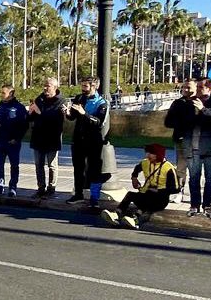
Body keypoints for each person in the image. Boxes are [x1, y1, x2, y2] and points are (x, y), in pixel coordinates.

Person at [101, 144, 178, 229]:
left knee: (150, 197)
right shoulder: (145, 162)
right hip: (146, 194)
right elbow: (136, 169)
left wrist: (159, 190)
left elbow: (175, 189)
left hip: (160, 200)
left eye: (150, 153)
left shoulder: (168, 168)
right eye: (147, 153)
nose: (147, 155)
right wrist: (134, 178)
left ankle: (136, 219)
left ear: (158, 155)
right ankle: (116, 214)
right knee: (130, 195)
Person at [64, 77, 108, 209]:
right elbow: (73, 117)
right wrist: (67, 113)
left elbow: (98, 122)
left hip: (93, 140)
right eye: (82, 86)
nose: (83, 89)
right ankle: (78, 194)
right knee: (78, 169)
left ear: (94, 87)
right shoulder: (79, 98)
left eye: (85, 86)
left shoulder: (102, 103)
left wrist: (84, 114)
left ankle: (94, 198)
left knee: (94, 170)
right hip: (78, 139)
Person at [184, 78, 211, 218]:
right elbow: (183, 122)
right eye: (197, 87)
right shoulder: (189, 102)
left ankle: (207, 205)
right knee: (194, 178)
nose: (197, 90)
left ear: (210, 89)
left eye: (201, 87)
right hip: (194, 146)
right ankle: (194, 205)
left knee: (210, 179)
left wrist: (203, 110)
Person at [28, 78, 66, 198]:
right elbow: (32, 118)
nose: (45, 88)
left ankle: (51, 188)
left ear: (55, 87)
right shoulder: (39, 99)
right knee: (39, 164)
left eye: (48, 86)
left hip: (52, 137)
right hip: (38, 137)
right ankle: (40, 187)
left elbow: (55, 118)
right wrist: (30, 113)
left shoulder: (61, 101)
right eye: (44, 85)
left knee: (52, 165)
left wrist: (39, 112)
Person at [0, 85, 28, 198]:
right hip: (0, 140)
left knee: (14, 166)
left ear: (11, 94)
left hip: (13, 142)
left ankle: (12, 187)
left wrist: (17, 138)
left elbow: (24, 125)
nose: (1, 95)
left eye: (3, 93)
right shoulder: (1, 106)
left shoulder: (19, 107)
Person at [164, 79, 198, 202]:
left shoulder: (201, 102)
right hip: (181, 139)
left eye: (188, 87)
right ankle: (179, 192)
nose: (186, 90)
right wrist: (180, 123)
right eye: (184, 87)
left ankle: (196, 194)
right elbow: (168, 122)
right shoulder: (177, 103)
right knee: (181, 168)